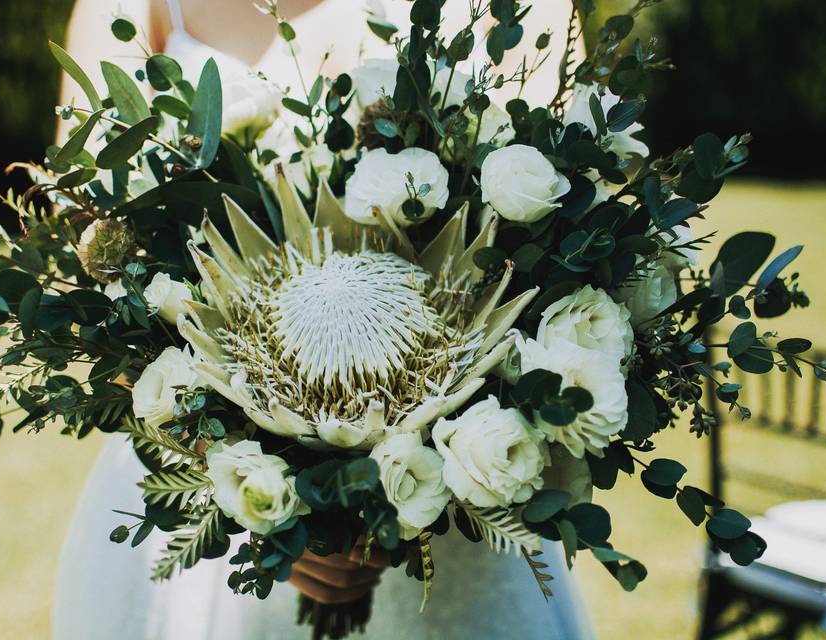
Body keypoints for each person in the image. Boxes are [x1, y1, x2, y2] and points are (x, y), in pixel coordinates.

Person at [52, 1, 594, 638]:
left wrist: (395, 507)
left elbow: (565, 211)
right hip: (216, 500)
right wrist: (255, 493)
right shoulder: (127, 7)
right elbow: (94, 255)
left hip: (452, 514)